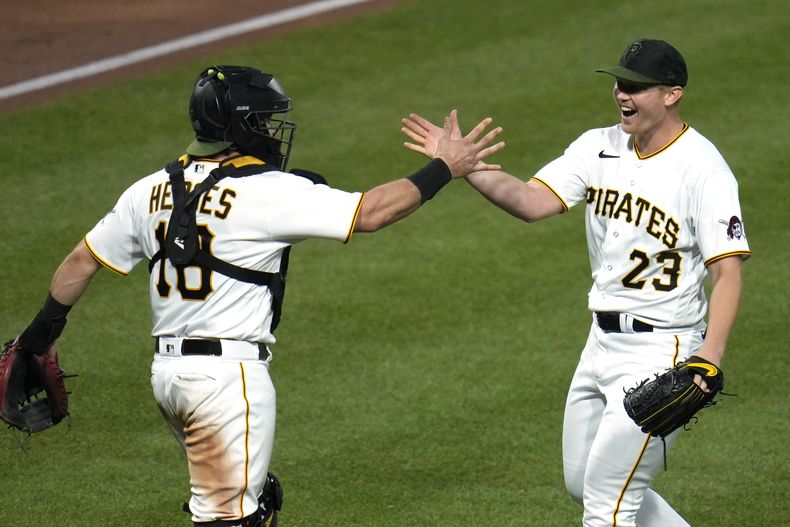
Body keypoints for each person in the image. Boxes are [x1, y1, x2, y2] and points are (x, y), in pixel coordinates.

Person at [15, 65, 504, 526]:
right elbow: (372, 212)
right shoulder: (268, 191)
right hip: (226, 383)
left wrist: (39, 337)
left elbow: (81, 261)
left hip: (168, 380)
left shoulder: (148, 191)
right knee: (232, 517)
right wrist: (445, 166)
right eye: (265, 121)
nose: (272, 132)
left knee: (248, 500)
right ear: (241, 126)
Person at [402, 39, 750, 527]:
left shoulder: (703, 168)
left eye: (636, 87)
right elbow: (529, 201)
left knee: (609, 504)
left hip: (661, 349)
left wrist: (708, 358)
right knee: (583, 482)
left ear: (672, 94)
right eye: (619, 84)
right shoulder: (598, 145)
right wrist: (463, 168)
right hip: (600, 344)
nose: (621, 95)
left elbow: (727, 270)